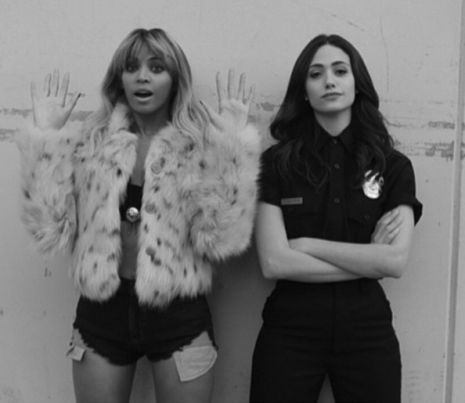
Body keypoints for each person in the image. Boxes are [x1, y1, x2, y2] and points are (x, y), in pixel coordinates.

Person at [15, 28, 260, 403]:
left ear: (175, 79)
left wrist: (233, 149)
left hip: (179, 313)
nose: (142, 77)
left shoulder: (200, 146)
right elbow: (50, 230)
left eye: (156, 68)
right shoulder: (93, 142)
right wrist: (44, 140)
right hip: (102, 312)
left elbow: (222, 240)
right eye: (132, 67)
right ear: (119, 78)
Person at [249, 34, 423, 403]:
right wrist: (368, 261)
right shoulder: (276, 164)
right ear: (304, 91)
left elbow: (394, 261)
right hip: (290, 331)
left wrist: (306, 245)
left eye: (340, 71)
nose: (329, 81)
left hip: (367, 331)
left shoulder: (393, 167)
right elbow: (273, 262)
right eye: (316, 74)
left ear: (357, 84)